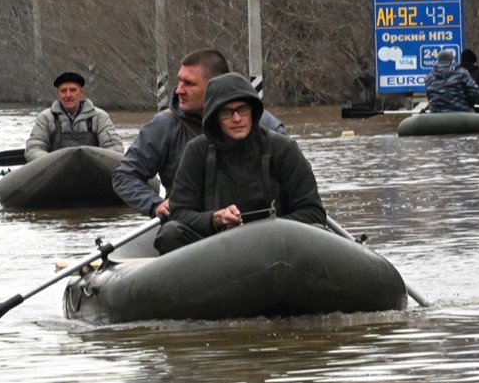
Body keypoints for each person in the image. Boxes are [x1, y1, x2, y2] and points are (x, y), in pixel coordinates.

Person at [157, 73, 326, 254]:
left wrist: (264, 230)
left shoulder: (284, 149)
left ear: (253, 111)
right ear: (214, 117)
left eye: (243, 109)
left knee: (317, 233)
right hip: (215, 249)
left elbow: (313, 213)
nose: (237, 118)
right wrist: (216, 219)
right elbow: (179, 212)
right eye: (227, 112)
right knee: (170, 234)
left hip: (277, 247)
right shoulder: (197, 151)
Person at [113, 49, 287, 219]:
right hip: (194, 227)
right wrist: (154, 204)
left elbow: (294, 180)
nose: (178, 90)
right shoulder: (163, 126)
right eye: (179, 81)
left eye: (188, 84)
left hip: (261, 224)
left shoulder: (267, 126)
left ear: (214, 86)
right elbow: (125, 175)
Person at [25, 71, 123, 163]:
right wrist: (55, 163)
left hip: (93, 173)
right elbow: (33, 149)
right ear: (58, 94)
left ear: (81, 92)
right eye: (63, 91)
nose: (68, 95)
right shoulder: (45, 118)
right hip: (56, 175)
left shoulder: (100, 116)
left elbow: (114, 148)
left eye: (73, 90)